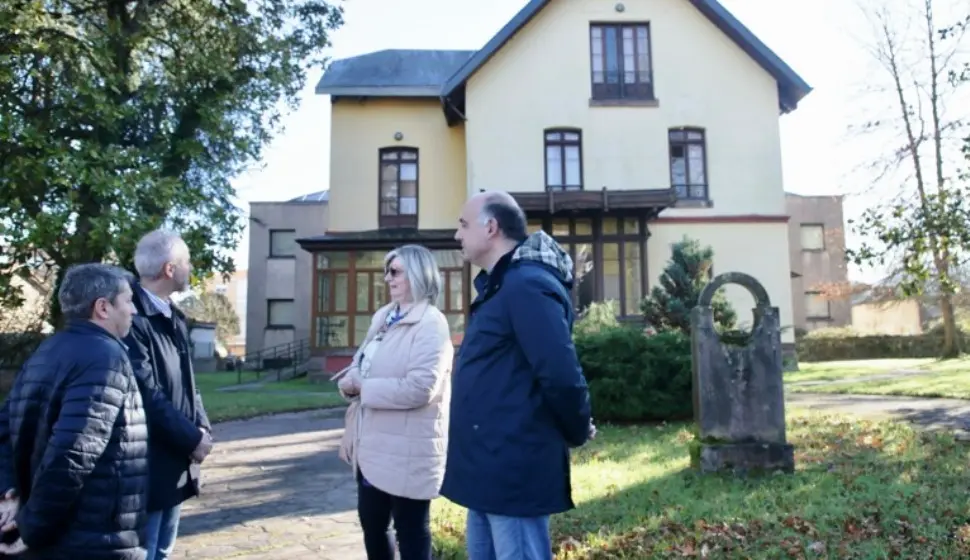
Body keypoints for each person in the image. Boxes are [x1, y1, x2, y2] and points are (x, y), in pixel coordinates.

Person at [441, 191, 594, 560]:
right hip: (487, 467)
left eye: (463, 225)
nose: (457, 235)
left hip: (511, 468)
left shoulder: (526, 285)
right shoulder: (502, 285)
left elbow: (560, 372)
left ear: (490, 227)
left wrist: (577, 427)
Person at [0, 263, 148, 559]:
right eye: (128, 300)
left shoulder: (46, 351)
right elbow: (74, 452)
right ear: (103, 308)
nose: (133, 310)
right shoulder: (105, 358)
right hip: (90, 541)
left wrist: (9, 493)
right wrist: (31, 526)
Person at [333, 244, 454, 560]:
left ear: (418, 274)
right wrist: (351, 384)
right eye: (387, 271)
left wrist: (364, 388)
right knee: (372, 527)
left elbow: (420, 388)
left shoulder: (432, 323)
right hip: (372, 448)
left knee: (410, 533)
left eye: (395, 271)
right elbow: (361, 362)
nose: (387, 278)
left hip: (409, 450)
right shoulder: (383, 316)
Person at [125, 229, 214, 560]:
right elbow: (146, 393)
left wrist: (201, 427)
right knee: (145, 551)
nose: (191, 267)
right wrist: (191, 437)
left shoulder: (174, 316)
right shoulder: (131, 317)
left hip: (175, 455)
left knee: (162, 550)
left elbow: (188, 382)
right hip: (147, 461)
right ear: (170, 268)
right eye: (187, 261)